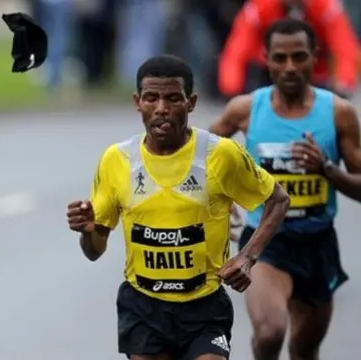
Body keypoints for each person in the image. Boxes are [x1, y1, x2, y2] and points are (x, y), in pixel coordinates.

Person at [66, 54, 290, 360]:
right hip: (143, 306)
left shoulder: (220, 154)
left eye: (173, 98)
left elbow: (278, 199)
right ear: (137, 102)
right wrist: (87, 230)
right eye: (151, 98)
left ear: (191, 103)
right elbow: (94, 250)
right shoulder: (116, 160)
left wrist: (247, 257)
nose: (161, 109)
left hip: (204, 306)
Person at [209, 18, 361, 360]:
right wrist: (220, 197)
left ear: (314, 56)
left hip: (317, 241)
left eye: (299, 56)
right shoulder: (245, 110)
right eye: (279, 58)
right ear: (266, 58)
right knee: (269, 333)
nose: (289, 67)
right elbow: (202, 158)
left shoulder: (339, 114)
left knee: (304, 349)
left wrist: (327, 170)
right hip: (265, 241)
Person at [218, 0, 359, 99]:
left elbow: (344, 46)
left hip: (315, 75)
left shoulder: (326, 7)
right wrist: (232, 88)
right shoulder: (259, 7)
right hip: (269, 76)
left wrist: (343, 82)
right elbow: (237, 48)